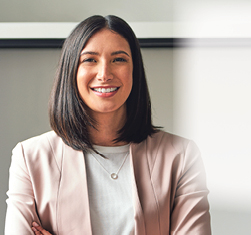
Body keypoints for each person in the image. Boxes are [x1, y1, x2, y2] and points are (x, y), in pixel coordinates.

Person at [5, 15, 211, 235]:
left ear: (135, 70)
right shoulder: (29, 158)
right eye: (90, 60)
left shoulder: (181, 156)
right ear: (71, 71)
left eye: (118, 59)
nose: (104, 74)